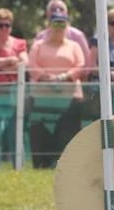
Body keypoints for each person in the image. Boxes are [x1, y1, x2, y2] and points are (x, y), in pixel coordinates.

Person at [26, 9, 85, 168]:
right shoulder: (38, 45)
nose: (59, 27)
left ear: (67, 26)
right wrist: (47, 77)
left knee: (66, 133)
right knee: (40, 132)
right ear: (49, 25)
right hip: (41, 99)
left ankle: (66, 167)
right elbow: (32, 67)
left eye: (62, 23)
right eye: (55, 22)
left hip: (69, 98)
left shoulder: (74, 46)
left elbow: (80, 66)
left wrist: (63, 77)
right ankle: (40, 165)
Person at [0, 8, 27, 168]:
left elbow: (23, 63)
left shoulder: (19, 43)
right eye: (0, 25)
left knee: (15, 132)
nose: (4, 29)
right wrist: (9, 60)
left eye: (7, 25)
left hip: (14, 94)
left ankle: (19, 168)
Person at [32, 0, 91, 70]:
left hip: (71, 79)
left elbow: (86, 64)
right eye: (53, 9)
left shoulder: (77, 35)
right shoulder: (40, 37)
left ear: (67, 13)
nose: (57, 11)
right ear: (47, 14)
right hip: (44, 80)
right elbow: (33, 64)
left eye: (61, 9)